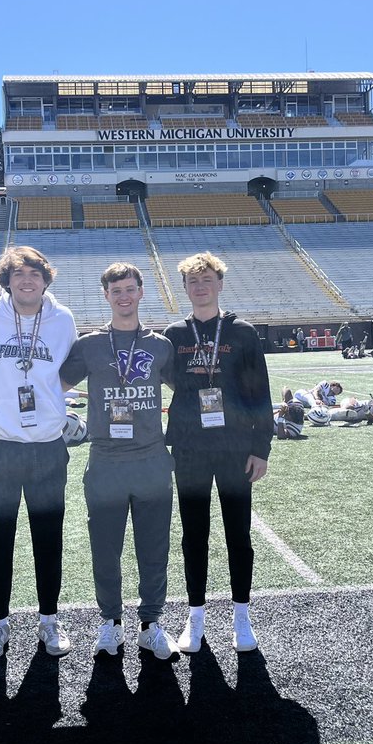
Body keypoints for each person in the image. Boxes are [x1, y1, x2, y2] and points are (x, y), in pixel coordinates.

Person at [0, 246, 77, 661]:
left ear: (46, 279)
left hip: (47, 446)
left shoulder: (63, 320)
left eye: (34, 274)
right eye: (18, 274)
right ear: (6, 280)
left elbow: (66, 372)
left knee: (49, 538)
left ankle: (49, 618)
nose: (26, 281)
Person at [60, 263, 179, 660]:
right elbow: (53, 385)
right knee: (105, 549)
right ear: (106, 296)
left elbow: (190, 391)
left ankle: (151, 623)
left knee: (154, 548)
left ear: (142, 292)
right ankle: (110, 622)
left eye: (130, 289)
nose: (124, 296)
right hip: (106, 460)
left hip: (151, 460)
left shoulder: (161, 345)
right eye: (116, 291)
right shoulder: (90, 345)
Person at [164, 252, 272, 653]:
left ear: (220, 284)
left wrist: (261, 448)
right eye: (193, 281)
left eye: (207, 279)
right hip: (190, 448)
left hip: (234, 448)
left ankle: (241, 616)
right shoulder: (174, 334)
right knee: (194, 535)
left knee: (238, 535)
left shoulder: (242, 332)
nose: (200, 286)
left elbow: (260, 391)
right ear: (186, 288)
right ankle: (196, 617)